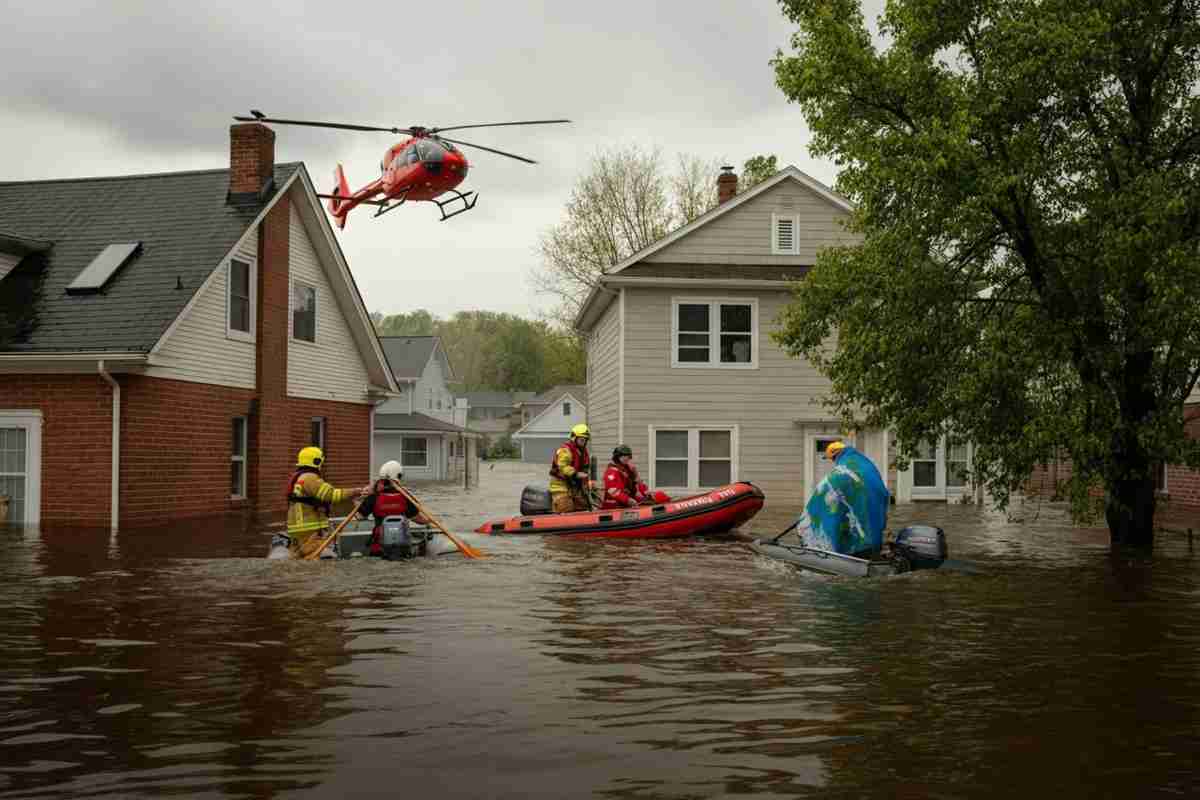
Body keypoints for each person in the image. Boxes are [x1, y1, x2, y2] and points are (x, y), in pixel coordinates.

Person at [799, 440, 890, 557]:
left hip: (865, 508)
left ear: (836, 455)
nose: (833, 461)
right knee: (869, 530)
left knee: (856, 530)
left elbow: (826, 490)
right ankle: (873, 550)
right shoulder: (864, 463)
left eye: (832, 459)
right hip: (875, 506)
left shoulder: (843, 471)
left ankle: (853, 553)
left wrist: (806, 516)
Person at [283, 446, 372, 559]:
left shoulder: (299, 477)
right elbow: (331, 495)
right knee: (314, 554)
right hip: (308, 527)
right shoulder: (310, 478)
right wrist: (355, 491)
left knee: (299, 555)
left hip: (297, 526)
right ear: (316, 461)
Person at [359, 460, 430, 558]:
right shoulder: (406, 498)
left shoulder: (373, 497)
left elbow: (359, 516)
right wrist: (430, 521)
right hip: (403, 550)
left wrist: (355, 500)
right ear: (398, 476)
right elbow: (419, 520)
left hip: (378, 548)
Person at [549, 423, 593, 513]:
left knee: (584, 506)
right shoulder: (565, 450)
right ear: (574, 438)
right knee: (566, 507)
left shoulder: (583, 453)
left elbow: (585, 469)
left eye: (585, 440)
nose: (584, 442)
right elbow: (562, 466)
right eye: (581, 439)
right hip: (560, 485)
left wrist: (588, 483)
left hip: (575, 485)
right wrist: (576, 473)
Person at [601, 444, 651, 509]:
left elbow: (638, 483)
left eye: (628, 456)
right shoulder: (611, 471)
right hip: (615, 505)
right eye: (623, 456)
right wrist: (627, 500)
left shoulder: (628, 470)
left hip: (626, 502)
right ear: (617, 457)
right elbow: (612, 490)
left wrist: (647, 494)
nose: (626, 458)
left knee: (647, 502)